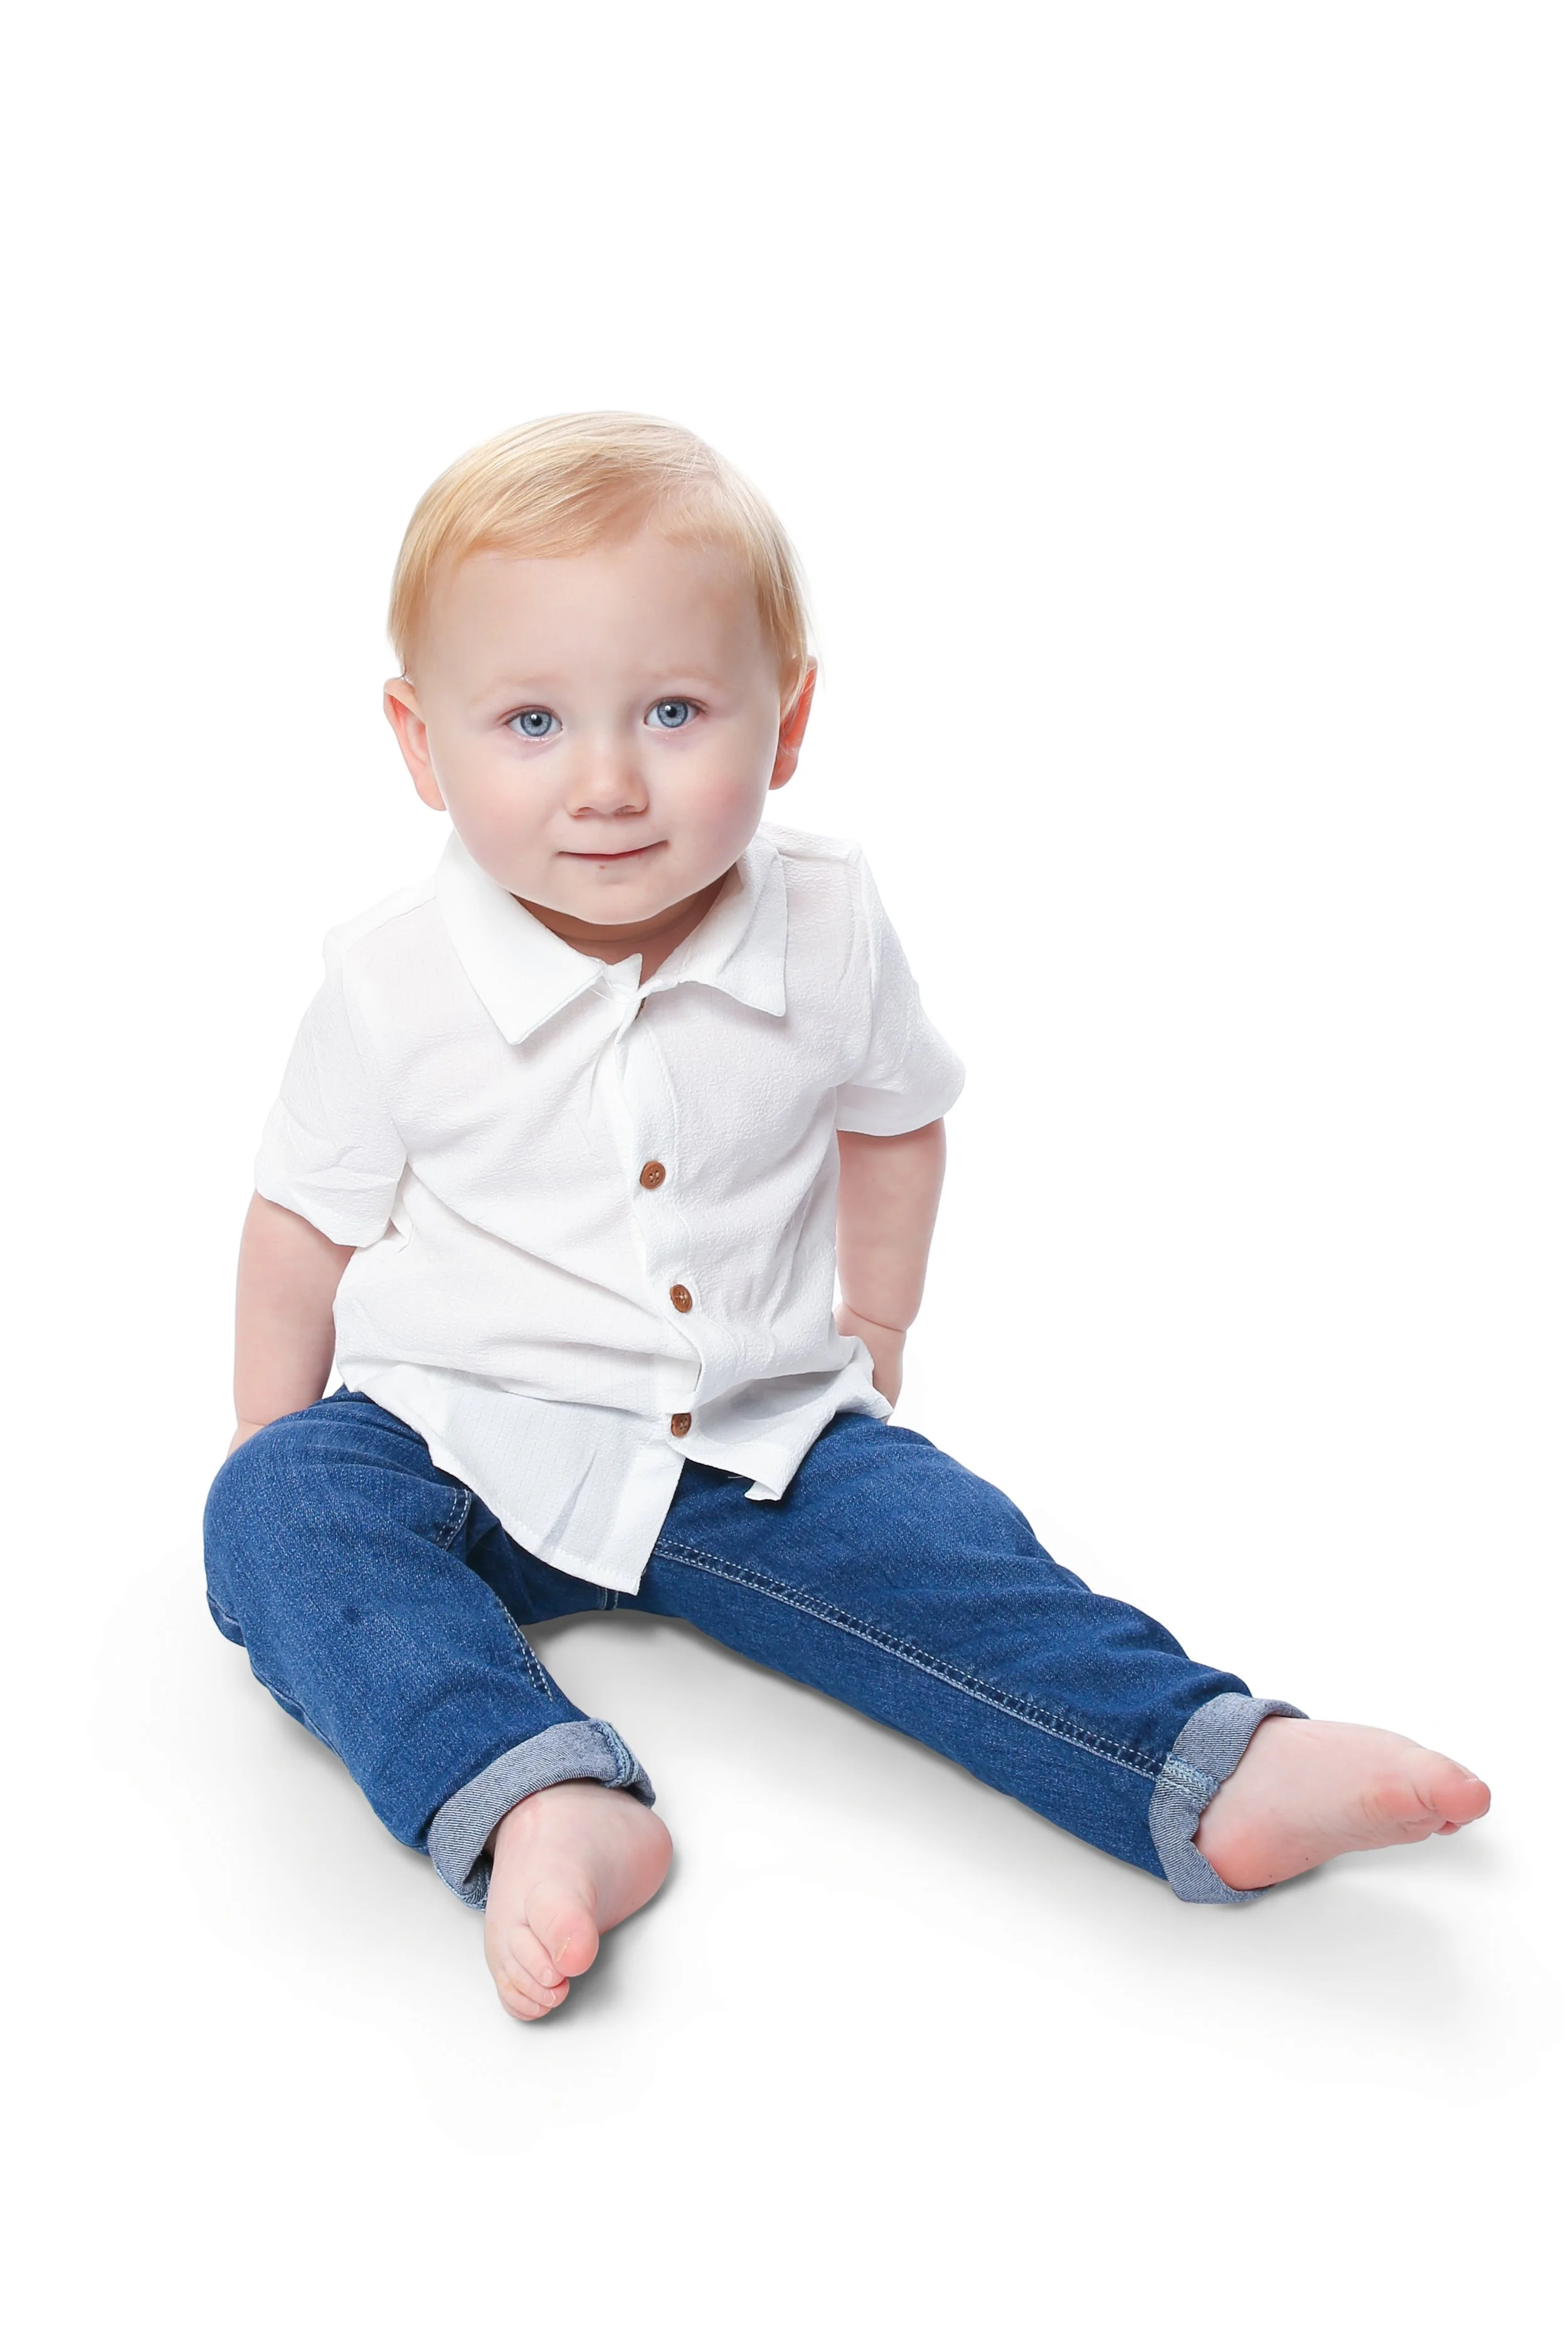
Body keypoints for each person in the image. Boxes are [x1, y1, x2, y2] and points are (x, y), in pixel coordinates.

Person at [203, 413, 1490, 2022]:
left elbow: (894, 1119)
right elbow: (297, 1223)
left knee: (954, 1554)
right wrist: (273, 1446)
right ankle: (536, 1793)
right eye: (530, 721)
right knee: (280, 1520)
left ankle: (1197, 1756)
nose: (606, 782)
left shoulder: (821, 917)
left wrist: (873, 1327)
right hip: (463, 1433)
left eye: (672, 711)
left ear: (787, 716)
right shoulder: (388, 982)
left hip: (747, 1429)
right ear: (418, 743)